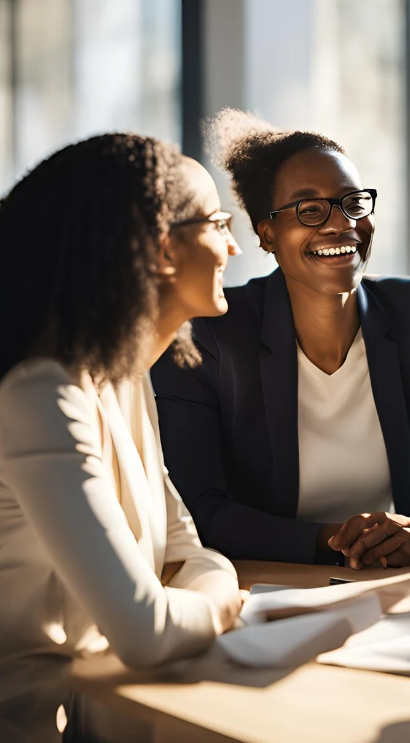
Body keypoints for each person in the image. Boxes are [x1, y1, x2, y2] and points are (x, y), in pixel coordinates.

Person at [153, 110, 410, 569]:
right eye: (310, 209)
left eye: (353, 203)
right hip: (265, 585)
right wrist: (337, 540)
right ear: (268, 234)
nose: (341, 224)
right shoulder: (211, 333)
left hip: (392, 583)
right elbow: (200, 509)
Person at [0, 135, 244, 742]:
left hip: (109, 714)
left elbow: (190, 553)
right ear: (163, 248)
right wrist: (220, 606)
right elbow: (146, 630)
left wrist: (207, 591)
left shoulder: (124, 381)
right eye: (217, 222)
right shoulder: (40, 395)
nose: (235, 244)